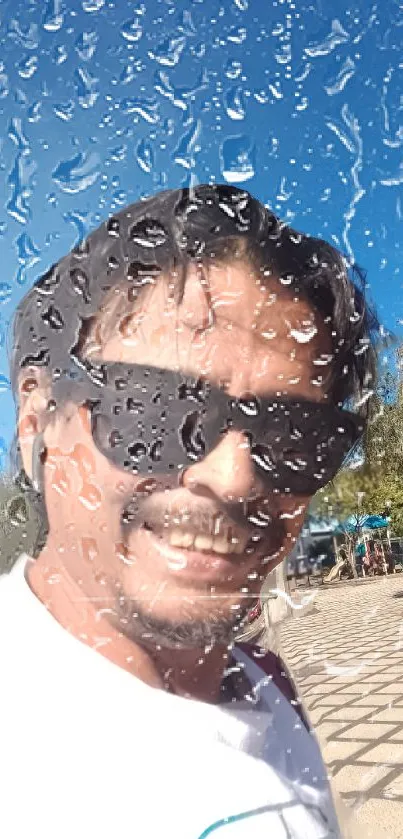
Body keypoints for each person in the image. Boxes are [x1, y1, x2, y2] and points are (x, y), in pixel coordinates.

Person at [0, 185, 380, 838]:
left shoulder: (263, 680)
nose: (232, 478)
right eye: (161, 410)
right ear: (38, 416)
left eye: (295, 437)